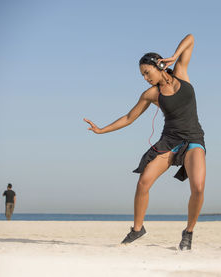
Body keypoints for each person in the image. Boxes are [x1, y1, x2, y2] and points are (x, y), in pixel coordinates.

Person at [84, 34, 206, 250]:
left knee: (197, 186)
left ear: (160, 66)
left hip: (193, 138)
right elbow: (129, 118)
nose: (145, 78)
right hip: (169, 141)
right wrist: (101, 130)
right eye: (142, 75)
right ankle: (138, 229)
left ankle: (188, 232)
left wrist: (174, 56)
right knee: (143, 181)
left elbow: (191, 39)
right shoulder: (151, 94)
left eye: (147, 73)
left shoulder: (182, 73)